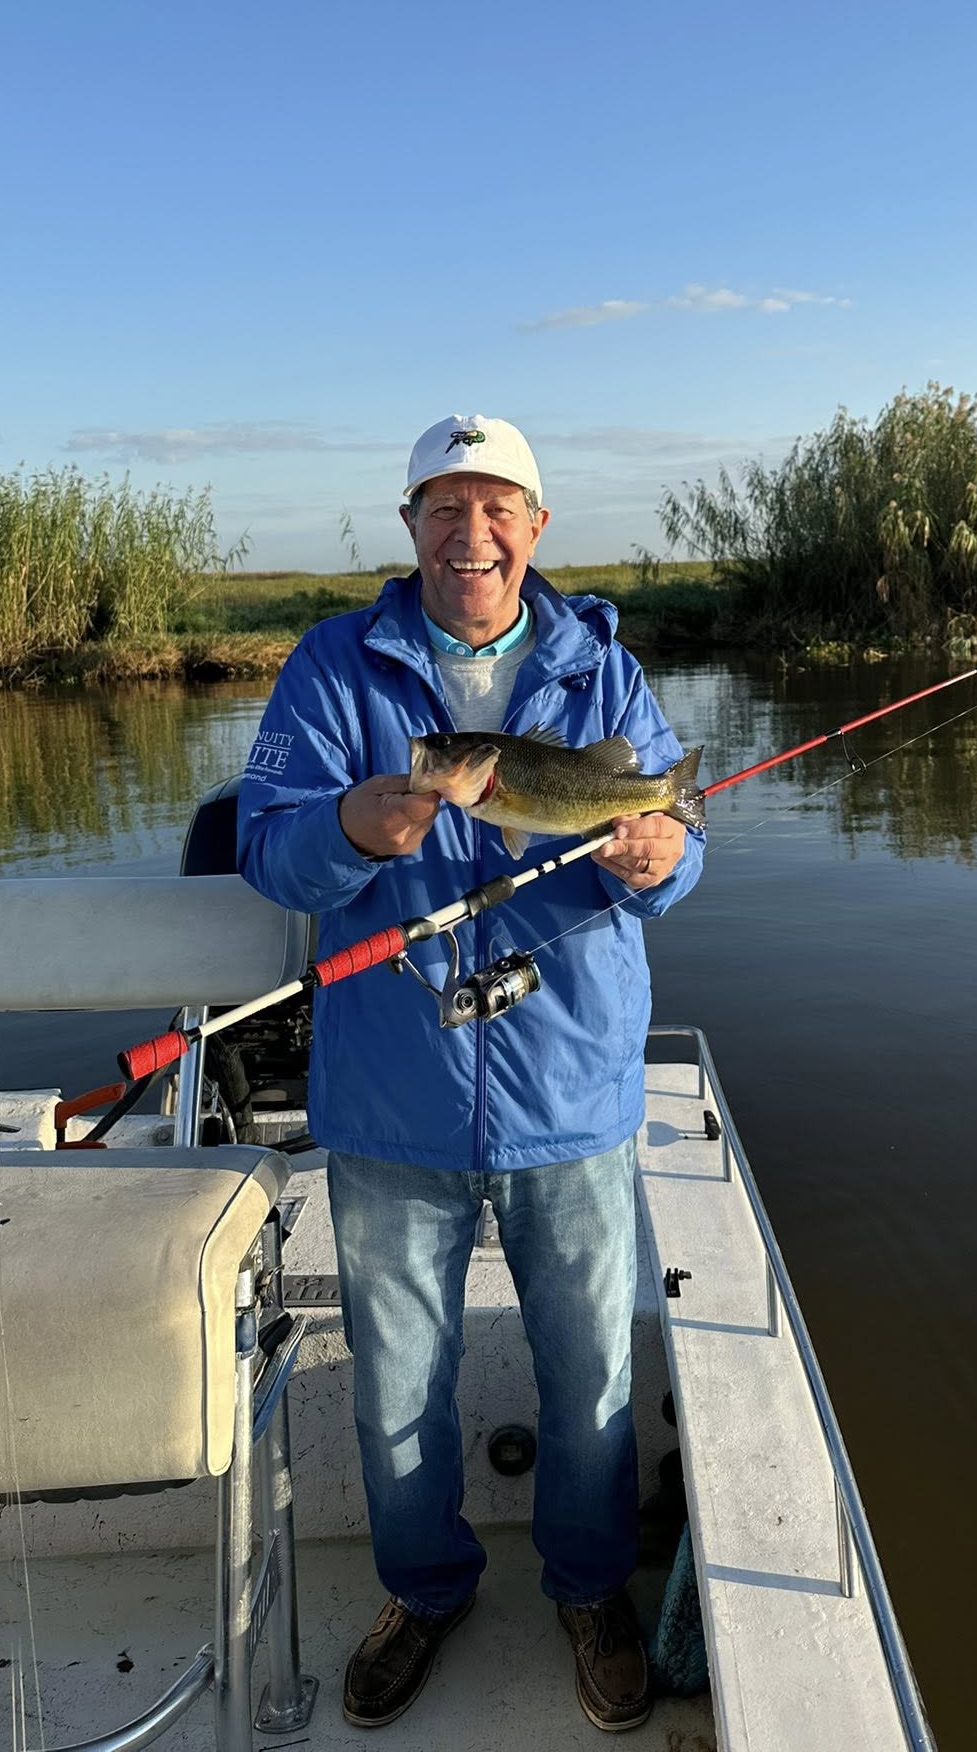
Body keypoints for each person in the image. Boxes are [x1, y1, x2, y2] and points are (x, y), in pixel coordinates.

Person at [236, 415, 704, 1733]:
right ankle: (423, 1590)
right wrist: (347, 825)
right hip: (394, 1098)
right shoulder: (334, 669)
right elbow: (270, 851)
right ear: (411, 527)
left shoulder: (604, 669)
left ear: (536, 527)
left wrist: (666, 856)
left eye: (498, 507)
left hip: (574, 1088)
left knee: (591, 1373)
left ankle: (591, 1590)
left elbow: (671, 851)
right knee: (396, 1381)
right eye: (445, 507)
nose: (472, 534)